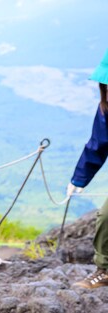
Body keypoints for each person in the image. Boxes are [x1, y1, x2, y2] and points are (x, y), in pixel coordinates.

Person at [70, 49, 108, 289]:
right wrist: (79, 179)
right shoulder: (107, 108)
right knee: (106, 217)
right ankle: (104, 270)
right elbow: (98, 143)